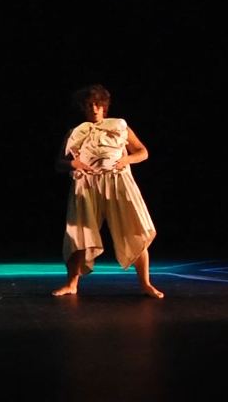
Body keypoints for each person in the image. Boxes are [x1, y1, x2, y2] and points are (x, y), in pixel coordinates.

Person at [52, 84, 164, 299]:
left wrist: (126, 160)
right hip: (86, 185)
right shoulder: (75, 132)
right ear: (83, 108)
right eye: (89, 105)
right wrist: (73, 164)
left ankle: (146, 284)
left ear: (104, 106)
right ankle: (71, 284)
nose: (94, 109)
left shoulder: (119, 126)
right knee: (79, 235)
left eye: (97, 104)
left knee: (134, 229)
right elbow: (59, 163)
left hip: (118, 182)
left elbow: (142, 152)